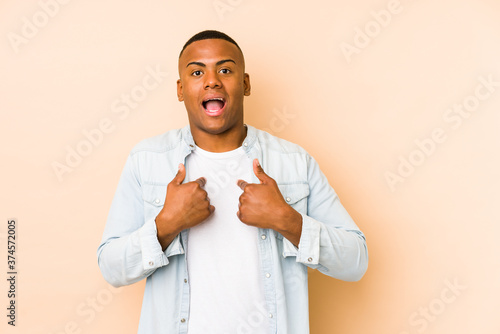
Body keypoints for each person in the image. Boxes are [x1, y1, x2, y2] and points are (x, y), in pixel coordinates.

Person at [97, 30, 368, 334]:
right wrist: (166, 224)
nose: (212, 80)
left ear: (245, 83)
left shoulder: (293, 161)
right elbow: (111, 267)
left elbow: (355, 262)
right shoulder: (147, 160)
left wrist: (286, 219)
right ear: (181, 89)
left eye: (225, 70)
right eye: (197, 72)